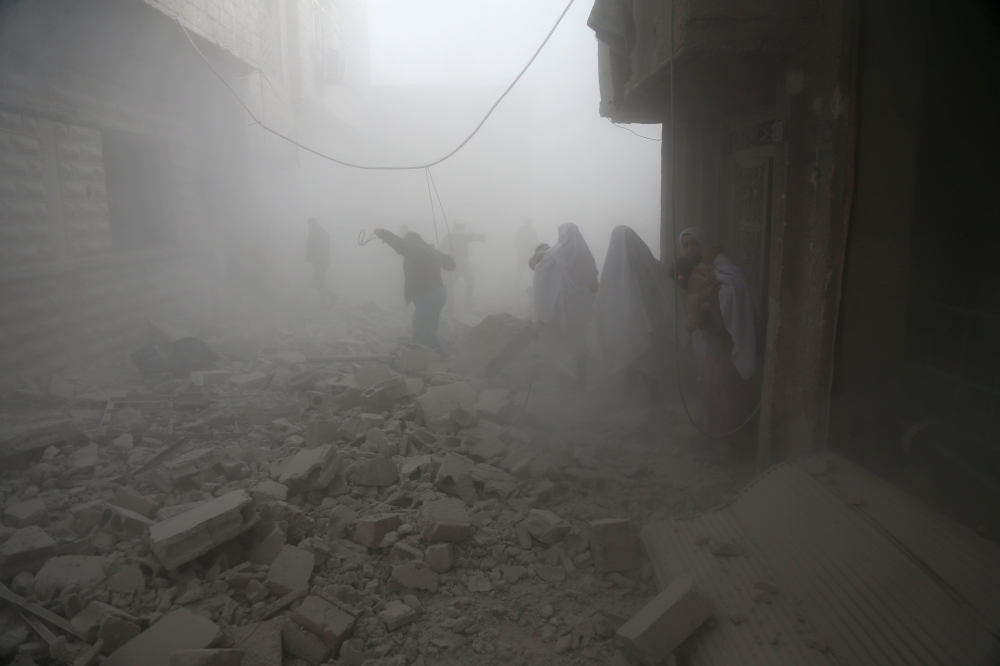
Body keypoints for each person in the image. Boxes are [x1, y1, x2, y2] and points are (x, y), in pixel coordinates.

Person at [677, 227, 756, 444]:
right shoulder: (690, 270)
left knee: (725, 382)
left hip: (730, 335)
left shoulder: (720, 263)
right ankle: (713, 433)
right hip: (714, 337)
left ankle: (735, 440)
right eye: (686, 245)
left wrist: (717, 298)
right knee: (709, 382)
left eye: (694, 243)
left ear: (702, 242)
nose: (691, 249)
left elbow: (736, 285)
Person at [593, 225, 674, 401]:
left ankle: (639, 395)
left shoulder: (613, 266)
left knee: (634, 354)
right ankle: (651, 398)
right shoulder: (644, 261)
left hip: (629, 322)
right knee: (643, 356)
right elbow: (663, 274)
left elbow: (605, 295)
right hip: (647, 323)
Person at [530, 223, 599, 388]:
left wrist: (543, 250)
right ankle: (581, 377)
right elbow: (593, 278)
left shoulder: (554, 253)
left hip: (558, 304)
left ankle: (554, 375)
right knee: (578, 339)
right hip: (579, 305)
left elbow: (533, 265)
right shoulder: (586, 254)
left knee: (553, 335)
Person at [373, 228, 456, 353]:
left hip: (426, 295)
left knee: (425, 330)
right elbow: (451, 265)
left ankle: (442, 357)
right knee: (420, 326)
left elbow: (398, 243)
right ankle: (417, 352)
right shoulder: (430, 251)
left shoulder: (413, 249)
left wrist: (383, 233)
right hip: (439, 293)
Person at [444, 221, 485, 309]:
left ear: (455, 226)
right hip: (463, 263)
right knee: (471, 281)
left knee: (450, 284)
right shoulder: (466, 234)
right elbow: (478, 237)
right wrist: (482, 237)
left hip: (451, 263)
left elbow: (441, 249)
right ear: (463, 226)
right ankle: (467, 303)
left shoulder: (448, 236)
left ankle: (449, 306)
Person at [305, 217, 333, 306]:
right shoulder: (316, 231)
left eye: (310, 224)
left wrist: (316, 260)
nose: (309, 227)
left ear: (314, 223)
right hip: (321, 261)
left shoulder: (319, 232)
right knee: (318, 282)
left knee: (315, 283)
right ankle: (324, 303)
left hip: (322, 261)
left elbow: (321, 247)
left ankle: (333, 297)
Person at [515, 218, 539, 290]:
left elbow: (516, 240)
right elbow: (516, 240)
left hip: (527, 254)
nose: (529, 223)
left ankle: (517, 289)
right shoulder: (531, 231)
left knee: (524, 272)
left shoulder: (525, 230)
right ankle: (517, 288)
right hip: (527, 254)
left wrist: (518, 250)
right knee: (524, 272)